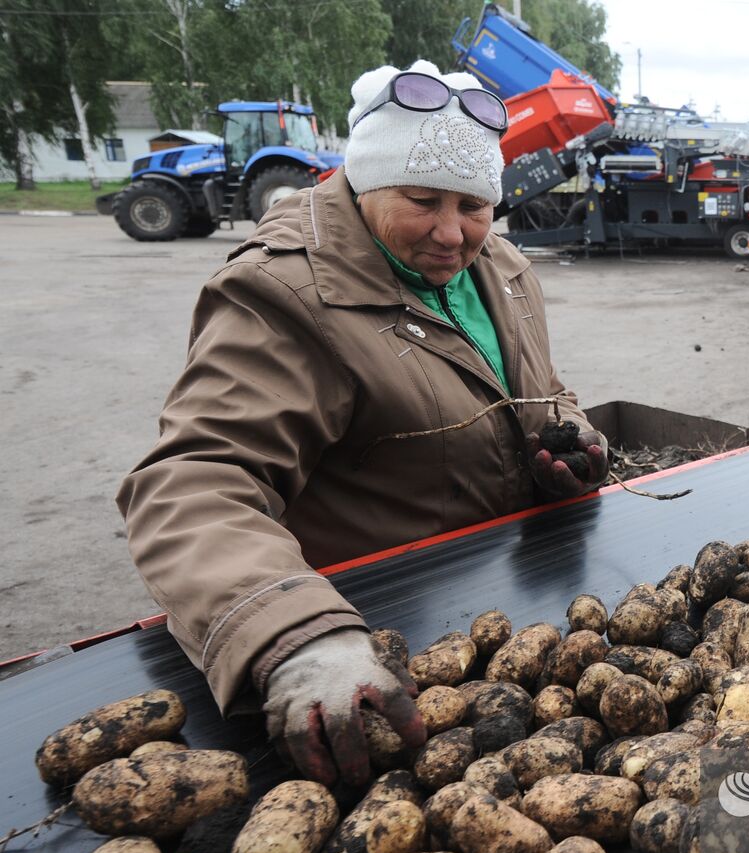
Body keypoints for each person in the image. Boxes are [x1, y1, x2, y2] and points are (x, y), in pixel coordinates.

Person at [117, 60, 609, 788]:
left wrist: (571, 439)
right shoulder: (286, 293)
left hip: (504, 627)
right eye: (421, 200)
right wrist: (293, 634)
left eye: (474, 204)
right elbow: (192, 484)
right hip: (374, 657)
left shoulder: (498, 267)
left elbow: (541, 391)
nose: (452, 232)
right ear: (365, 182)